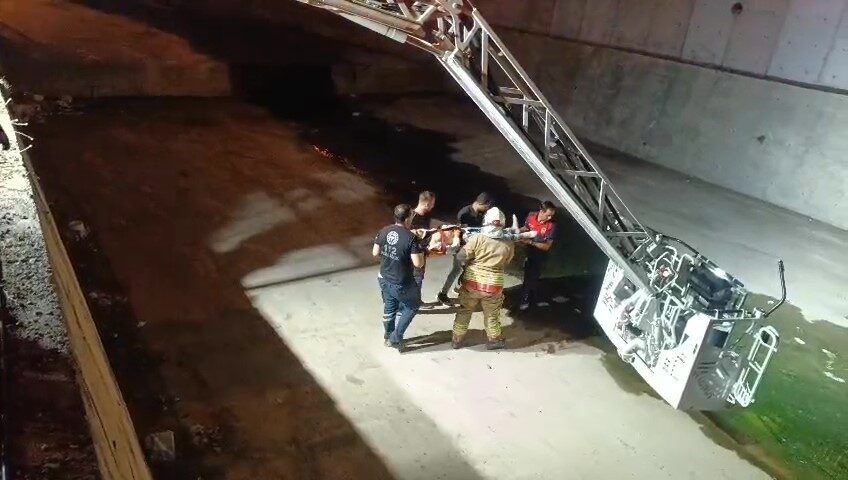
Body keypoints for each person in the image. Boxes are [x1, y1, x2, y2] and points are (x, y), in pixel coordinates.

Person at [451, 207, 515, 350]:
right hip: (493, 286)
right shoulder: (509, 243)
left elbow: (461, 256)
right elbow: (507, 262)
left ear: (486, 221)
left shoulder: (478, 238)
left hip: (472, 283)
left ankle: (457, 340)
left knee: (465, 310)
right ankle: (494, 340)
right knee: (492, 314)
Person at [373, 204, 425, 350]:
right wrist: (419, 247)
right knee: (412, 305)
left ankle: (387, 334)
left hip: (384, 277)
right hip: (401, 281)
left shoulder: (384, 230)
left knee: (389, 306)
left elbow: (375, 252)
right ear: (408, 218)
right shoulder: (411, 238)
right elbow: (418, 263)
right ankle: (395, 338)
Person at [437, 192, 493, 304]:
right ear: (481, 203)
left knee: (469, 269)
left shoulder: (482, 213)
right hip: (462, 247)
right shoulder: (465, 213)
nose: (488, 208)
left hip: (474, 247)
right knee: (456, 270)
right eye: (487, 206)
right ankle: (442, 294)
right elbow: (457, 230)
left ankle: (458, 287)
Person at [518, 201, 557, 311]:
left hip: (540, 254)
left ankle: (527, 301)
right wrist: (516, 232)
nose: (550, 217)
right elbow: (525, 227)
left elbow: (547, 246)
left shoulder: (552, 225)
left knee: (532, 277)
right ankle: (530, 297)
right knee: (527, 275)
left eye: (551, 215)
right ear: (541, 211)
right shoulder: (531, 216)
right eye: (548, 215)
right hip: (528, 251)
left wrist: (530, 242)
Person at [409, 191, 436, 289]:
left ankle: (416, 299)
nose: (433, 206)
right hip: (413, 254)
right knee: (415, 277)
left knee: (420, 277)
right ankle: (413, 300)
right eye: (432, 204)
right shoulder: (411, 217)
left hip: (422, 252)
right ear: (427, 204)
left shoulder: (426, 216)